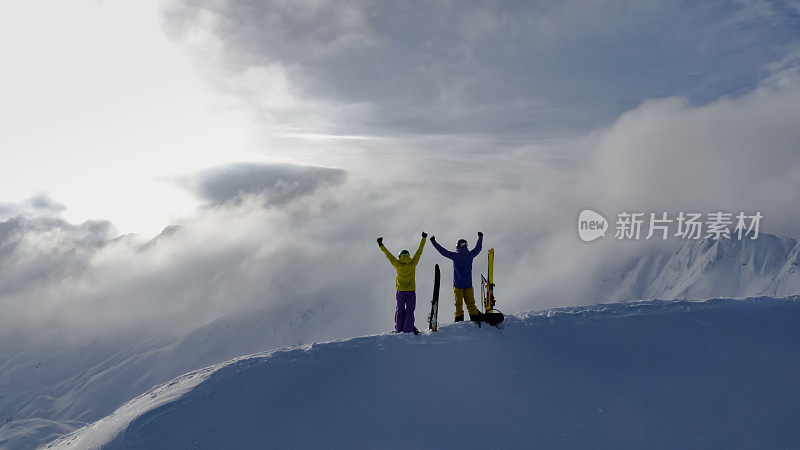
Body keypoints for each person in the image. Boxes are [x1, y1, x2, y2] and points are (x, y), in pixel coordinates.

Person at [377, 232, 427, 334]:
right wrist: (423, 238)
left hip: (400, 291)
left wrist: (381, 244)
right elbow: (419, 251)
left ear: (400, 256)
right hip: (411, 291)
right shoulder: (413, 263)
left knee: (400, 310)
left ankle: (399, 329)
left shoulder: (397, 264)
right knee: (409, 310)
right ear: (408, 256)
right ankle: (408, 329)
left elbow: (388, 255)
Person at [430, 232, 483, 322]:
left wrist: (434, 242)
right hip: (468, 285)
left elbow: (443, 251)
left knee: (458, 305)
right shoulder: (470, 255)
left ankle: (459, 322)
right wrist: (480, 237)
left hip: (458, 285)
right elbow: (478, 248)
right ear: (466, 246)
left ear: (457, 246)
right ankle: (476, 320)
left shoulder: (455, 256)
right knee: (471, 304)